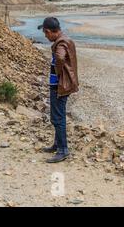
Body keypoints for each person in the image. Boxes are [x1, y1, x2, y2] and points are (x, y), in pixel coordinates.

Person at [38, 17, 79, 163]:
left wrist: (58, 71)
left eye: (45, 33)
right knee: (57, 115)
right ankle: (57, 145)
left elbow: (60, 58)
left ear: (49, 31)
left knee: (58, 118)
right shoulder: (65, 39)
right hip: (62, 85)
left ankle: (63, 150)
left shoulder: (60, 43)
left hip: (60, 86)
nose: (45, 36)